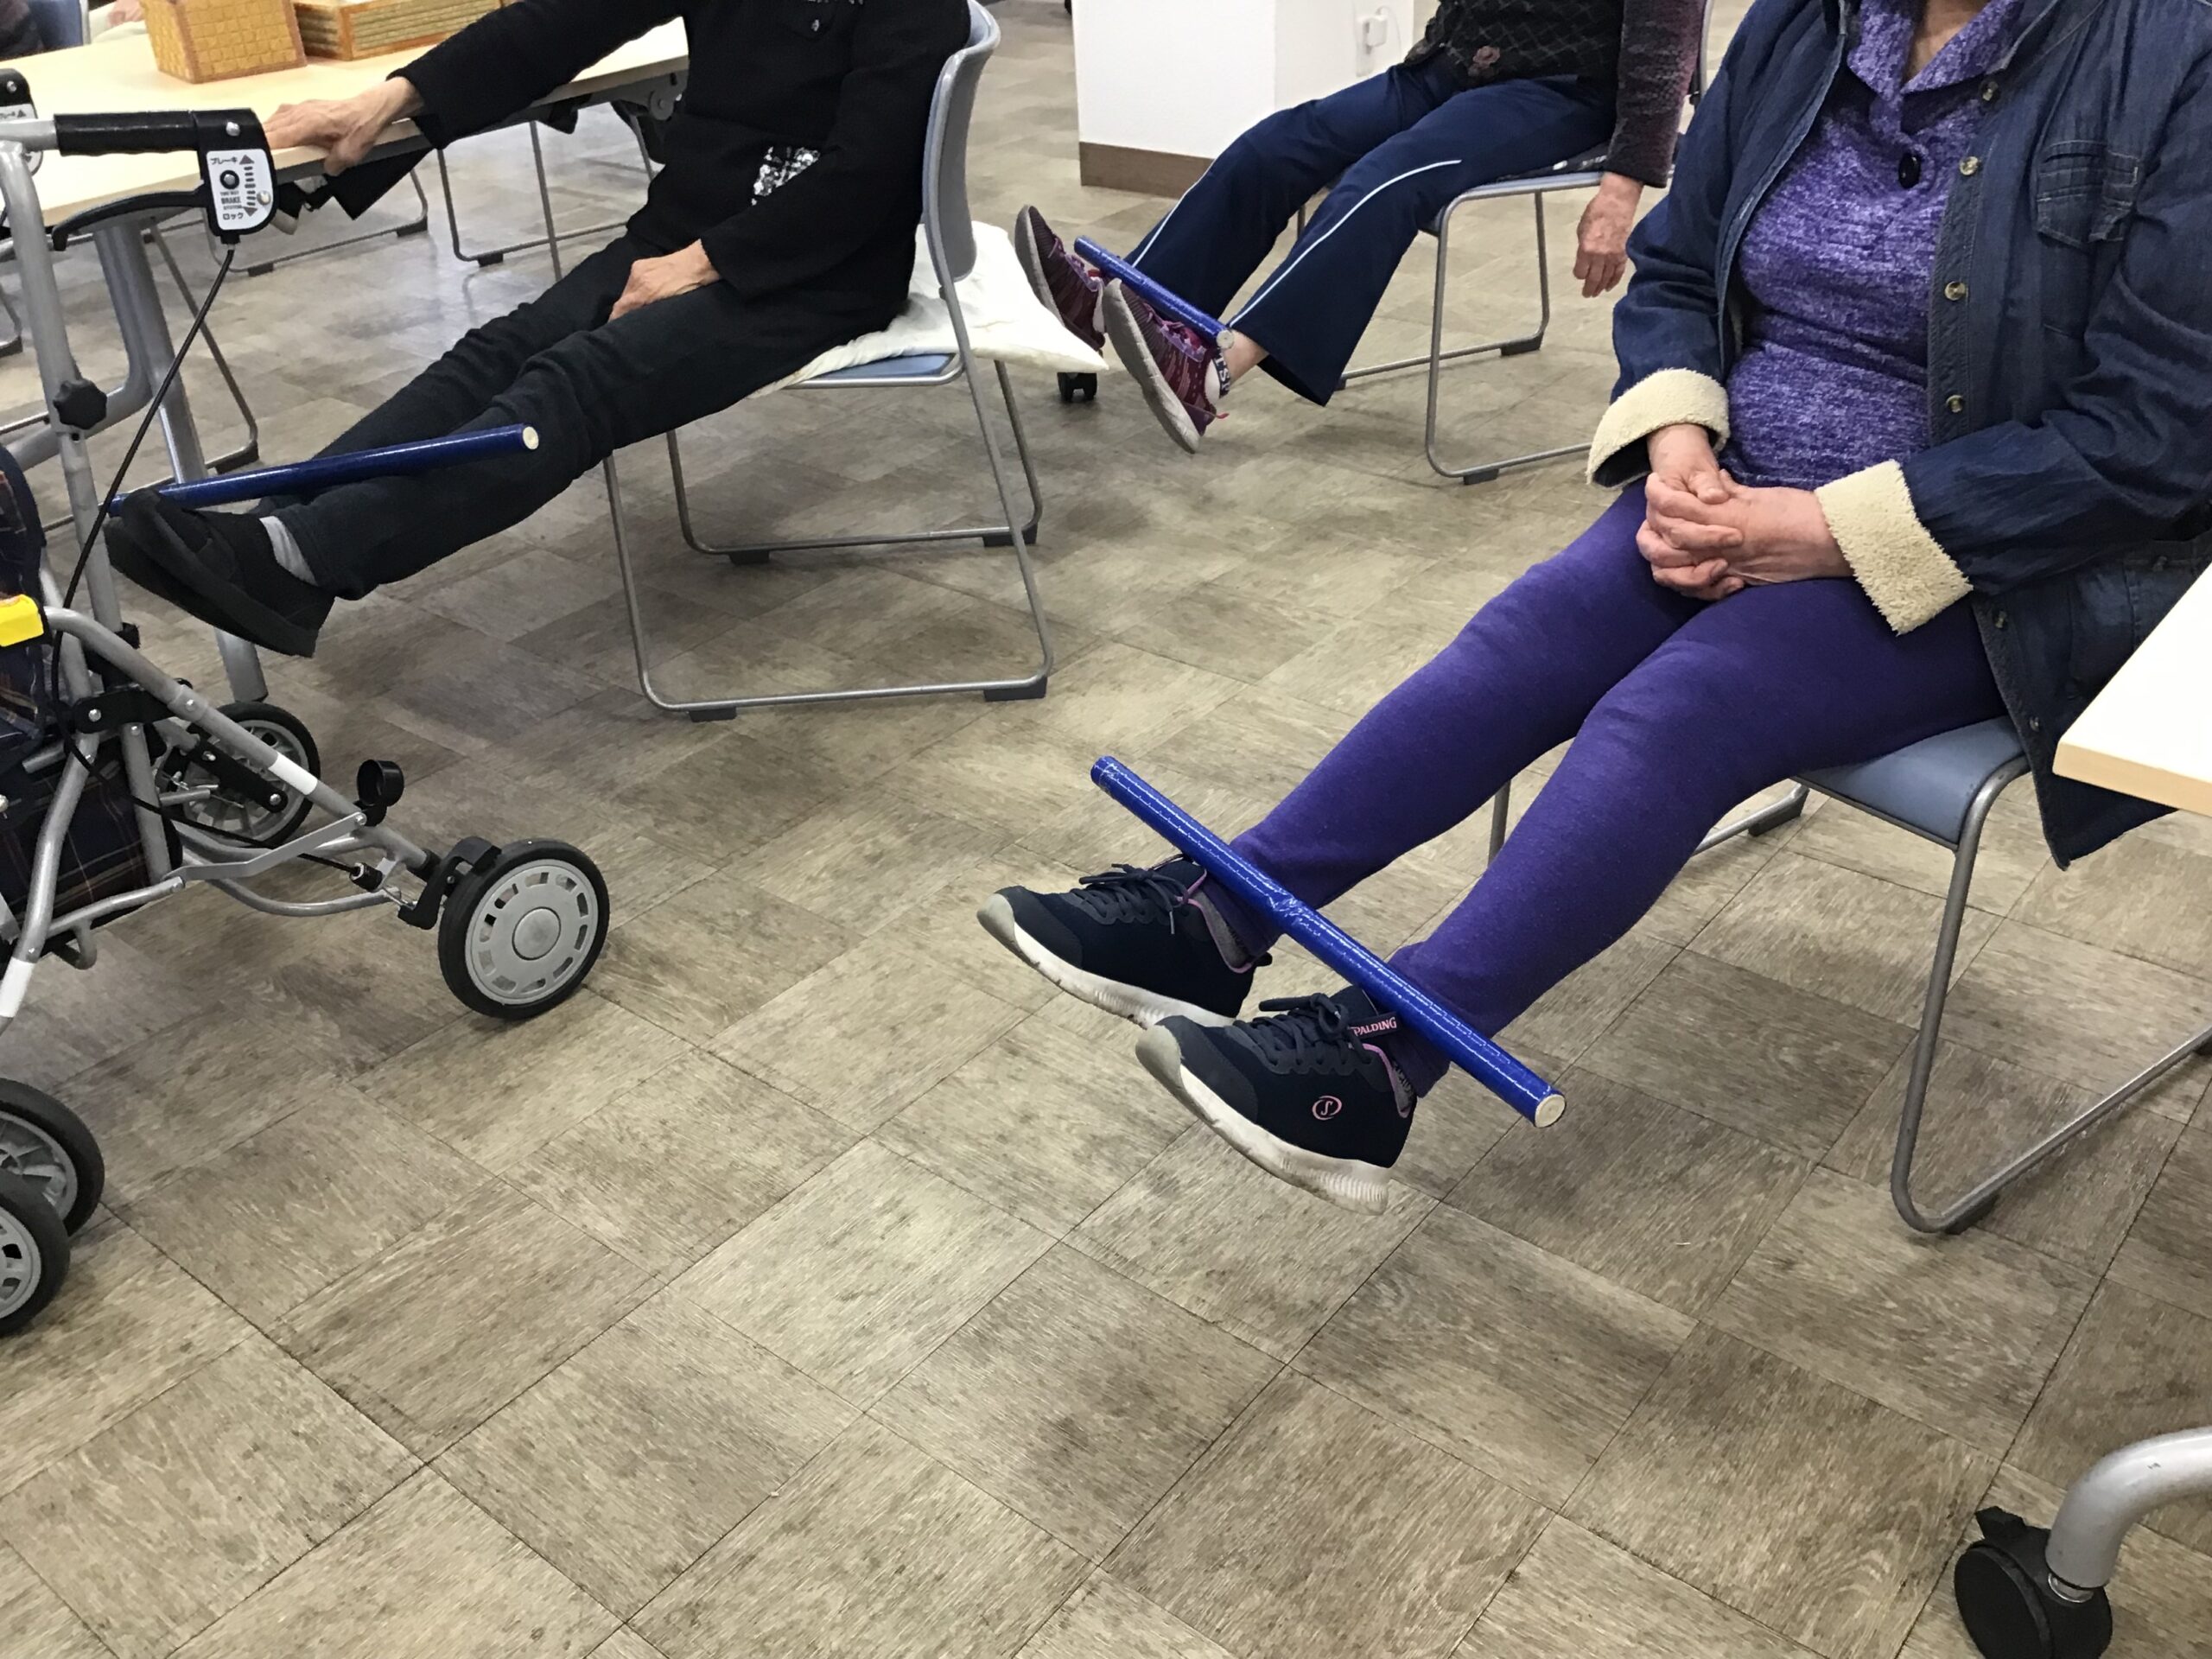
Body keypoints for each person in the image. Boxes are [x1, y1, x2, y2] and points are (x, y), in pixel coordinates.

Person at [980, 0, 2212, 1211]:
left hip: (1997, 554)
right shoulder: (1810, 24)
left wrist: (1826, 532)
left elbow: (2156, 432)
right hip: (1728, 488)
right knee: (1526, 643)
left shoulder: (2174, 49)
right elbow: (1676, 269)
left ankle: (1378, 1066)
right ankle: (1214, 916)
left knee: (1679, 709)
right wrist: (1679, 440)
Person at [105, 0, 969, 658]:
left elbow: (869, 173)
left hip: (810, 271)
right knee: (501, 350)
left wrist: (706, 261)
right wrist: (392, 98)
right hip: (683, 234)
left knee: (576, 385)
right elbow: (558, 24)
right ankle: (270, 529)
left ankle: (305, 557)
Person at [1014, 0, 1706, 451]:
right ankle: (1112, 306)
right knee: (1275, 146)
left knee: (1384, 180)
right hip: (1454, 67)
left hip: (1568, 90)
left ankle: (1211, 375)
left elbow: (1667, 41)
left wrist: (1624, 185)